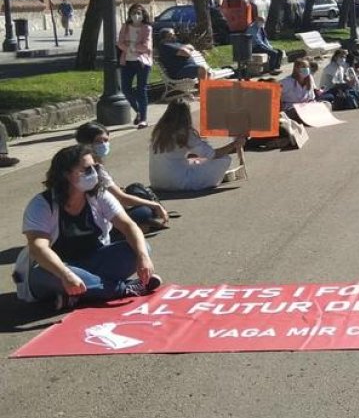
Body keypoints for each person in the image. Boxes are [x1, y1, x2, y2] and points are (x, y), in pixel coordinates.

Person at [14, 144, 161, 311]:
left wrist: (143, 257)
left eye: (95, 167)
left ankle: (79, 294)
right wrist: (66, 274)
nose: (94, 172)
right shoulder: (42, 205)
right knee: (43, 275)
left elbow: (128, 226)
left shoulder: (99, 196)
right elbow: (38, 248)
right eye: (86, 169)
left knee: (141, 249)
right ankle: (123, 289)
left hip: (92, 262)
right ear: (66, 174)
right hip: (56, 268)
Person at [73, 122, 170, 229]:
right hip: (93, 216)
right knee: (145, 211)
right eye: (98, 141)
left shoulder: (73, 159)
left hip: (86, 214)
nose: (103, 144)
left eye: (106, 140)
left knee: (136, 191)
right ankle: (124, 230)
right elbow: (122, 198)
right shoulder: (94, 168)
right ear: (87, 143)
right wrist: (155, 205)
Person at [149, 100, 246, 191]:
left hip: (156, 182)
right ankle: (211, 179)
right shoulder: (185, 133)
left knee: (194, 160)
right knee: (224, 158)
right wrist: (234, 144)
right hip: (177, 182)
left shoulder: (158, 131)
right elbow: (212, 154)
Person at [117, 4, 154, 128]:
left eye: (138, 13)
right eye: (133, 13)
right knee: (126, 90)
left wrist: (131, 46)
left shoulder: (147, 28)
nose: (136, 16)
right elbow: (120, 43)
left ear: (143, 15)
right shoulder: (125, 27)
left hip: (142, 62)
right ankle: (138, 110)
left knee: (141, 90)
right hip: (126, 62)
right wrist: (131, 47)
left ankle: (143, 119)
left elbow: (146, 47)